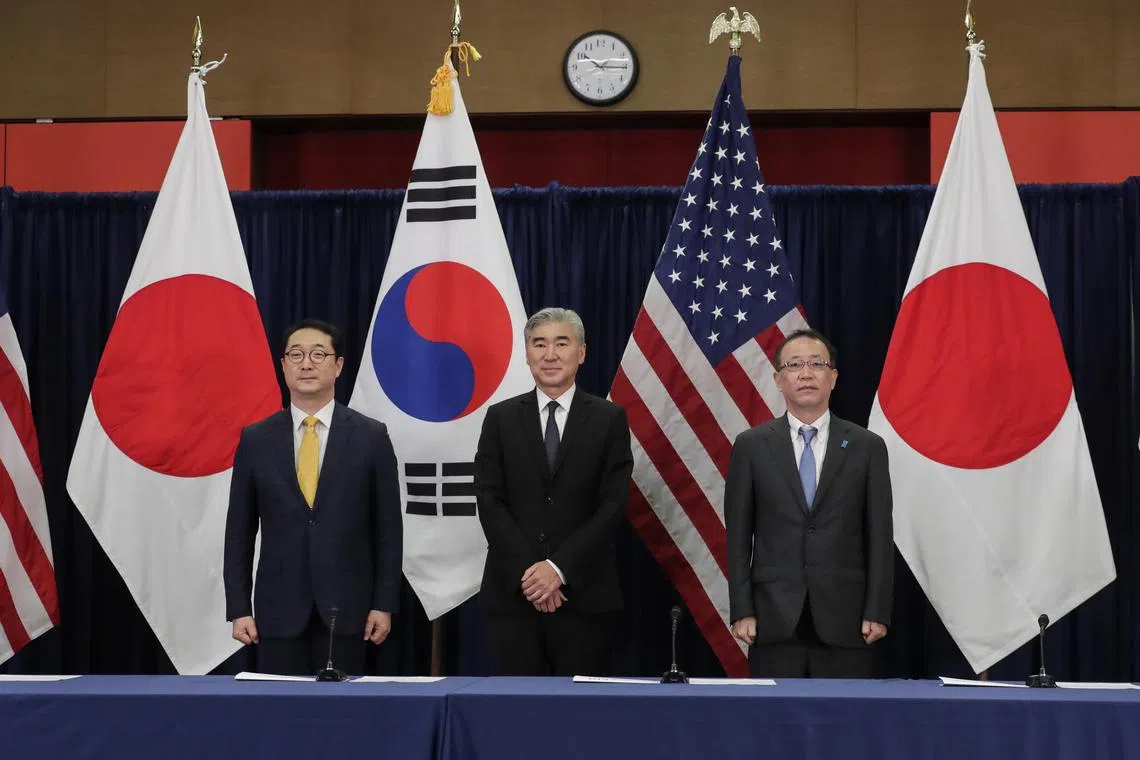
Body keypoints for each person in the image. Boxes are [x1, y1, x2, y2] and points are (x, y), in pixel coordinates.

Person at [224, 318, 402, 676]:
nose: (306, 363)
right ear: (283, 365)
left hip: (349, 612)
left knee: (343, 721)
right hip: (278, 612)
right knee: (280, 718)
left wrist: (383, 604)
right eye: (296, 354)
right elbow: (238, 532)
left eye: (318, 354)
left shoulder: (371, 437)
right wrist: (239, 607)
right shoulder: (256, 440)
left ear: (338, 365)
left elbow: (388, 531)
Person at [725, 328, 893, 678]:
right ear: (778, 379)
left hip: (847, 620)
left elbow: (879, 534)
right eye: (794, 365)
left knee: (844, 726)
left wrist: (877, 609)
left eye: (817, 364)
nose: (805, 373)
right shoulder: (751, 446)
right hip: (772, 618)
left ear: (833, 377)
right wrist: (742, 609)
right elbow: (738, 536)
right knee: (774, 727)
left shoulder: (866, 446)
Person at [474, 307, 633, 676]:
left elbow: (612, 504)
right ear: (526, 355)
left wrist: (558, 570)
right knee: (515, 717)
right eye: (539, 344)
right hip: (514, 595)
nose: (550, 355)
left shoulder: (609, 419)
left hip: (585, 595)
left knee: (581, 721)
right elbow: (489, 499)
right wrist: (532, 575)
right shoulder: (500, 418)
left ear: (581, 353)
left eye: (561, 343)